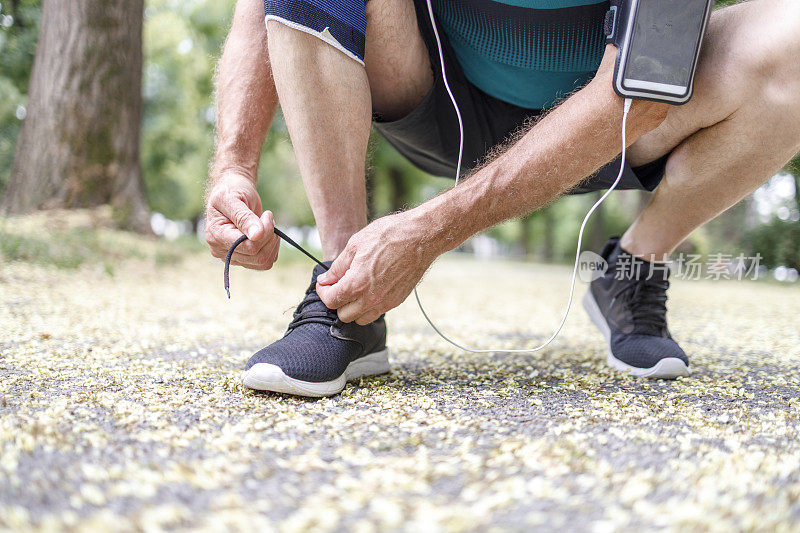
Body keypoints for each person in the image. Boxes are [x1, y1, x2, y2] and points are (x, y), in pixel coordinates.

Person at [204, 0, 800, 397]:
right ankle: (348, 290)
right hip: (434, 98)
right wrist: (233, 165)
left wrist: (428, 231)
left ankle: (635, 267)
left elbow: (642, 92)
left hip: (620, 116)